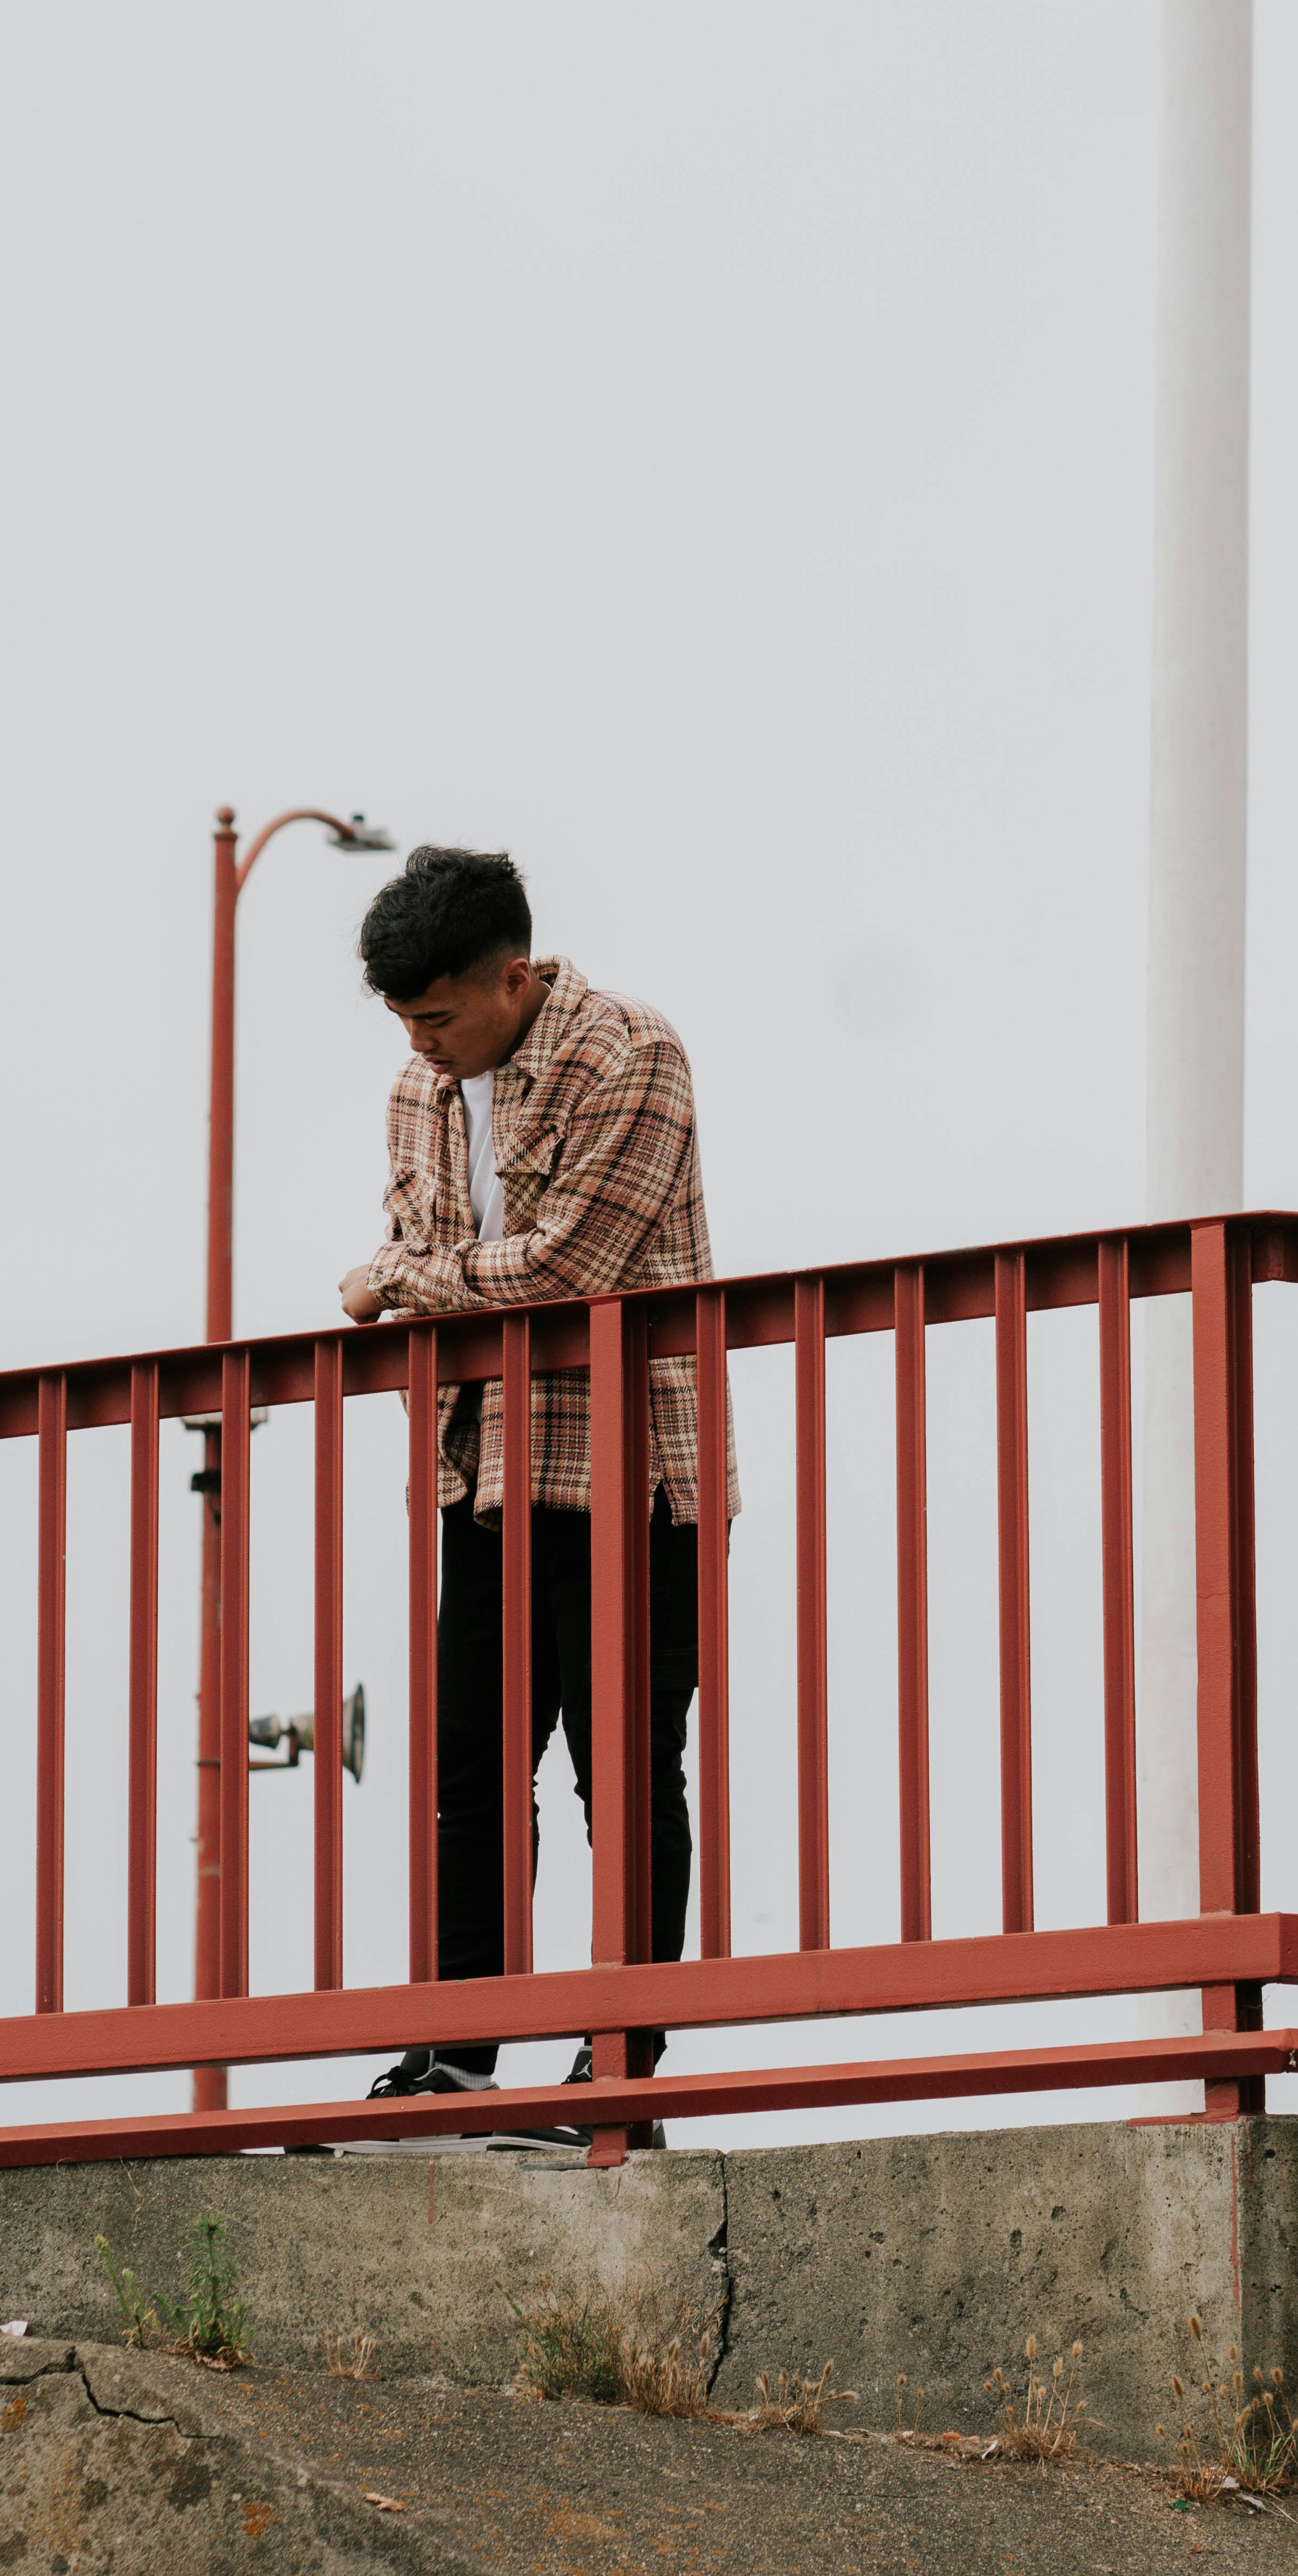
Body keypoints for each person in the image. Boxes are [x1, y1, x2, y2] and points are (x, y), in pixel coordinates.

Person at [337, 845, 736, 2145]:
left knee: (622, 1772)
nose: (422, 1045)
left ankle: (619, 2066)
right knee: (469, 1768)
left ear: (512, 978)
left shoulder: (630, 1052)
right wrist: (428, 1270)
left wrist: (414, 1279)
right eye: (405, 1021)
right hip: (481, 1464)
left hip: (631, 1466)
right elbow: (443, 1250)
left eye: (440, 1016)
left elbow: (576, 1265)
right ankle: (455, 2056)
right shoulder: (417, 1087)